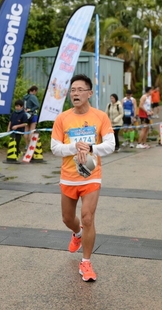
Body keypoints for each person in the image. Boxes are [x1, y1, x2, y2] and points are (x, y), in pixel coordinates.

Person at [50, 74, 115, 282]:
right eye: (73, 90)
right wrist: (73, 147)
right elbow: (54, 148)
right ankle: (77, 233)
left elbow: (111, 145)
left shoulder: (100, 117)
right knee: (68, 219)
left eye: (80, 90)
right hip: (69, 176)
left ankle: (86, 262)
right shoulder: (62, 118)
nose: (75, 93)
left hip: (91, 175)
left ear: (90, 93)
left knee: (87, 217)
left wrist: (91, 148)